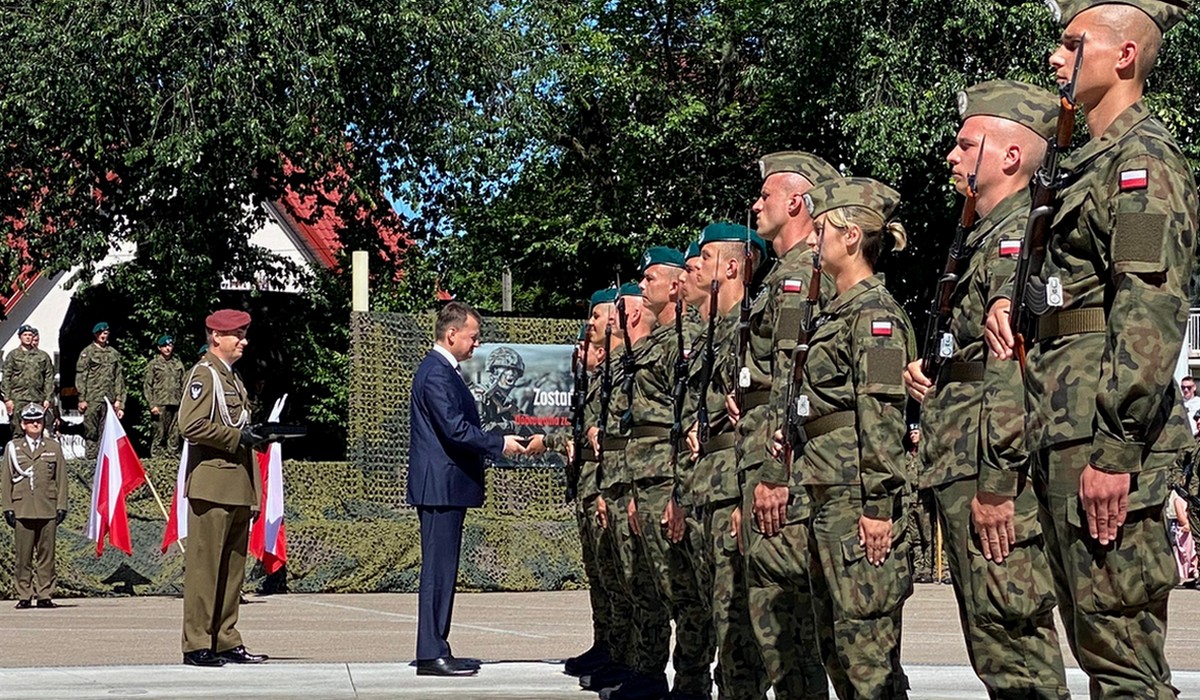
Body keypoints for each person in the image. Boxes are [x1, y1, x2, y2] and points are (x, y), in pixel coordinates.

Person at [984, 1, 1196, 695]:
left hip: (1099, 440)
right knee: (1096, 648)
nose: (1056, 57)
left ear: (1125, 56)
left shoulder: (1142, 164)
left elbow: (1149, 306)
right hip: (1061, 429)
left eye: (1073, 44)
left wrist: (1116, 449)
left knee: (1123, 662)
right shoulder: (1086, 162)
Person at [903, 80, 1071, 698]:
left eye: (966, 144)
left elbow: (1012, 363)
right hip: (964, 455)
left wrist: (999, 483)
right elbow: (979, 355)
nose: (952, 156)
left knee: (1011, 637)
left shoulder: (1018, 236)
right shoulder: (981, 236)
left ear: (1010, 156)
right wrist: (939, 376)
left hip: (988, 466)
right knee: (993, 639)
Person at [774, 177, 914, 699]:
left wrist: (878, 507)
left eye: (822, 231)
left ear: (851, 236)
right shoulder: (835, 312)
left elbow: (881, 417)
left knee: (867, 658)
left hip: (856, 498)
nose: (813, 241)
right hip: (827, 493)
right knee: (837, 649)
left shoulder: (874, 315)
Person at [733, 150, 837, 700]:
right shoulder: (783, 276)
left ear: (796, 202)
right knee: (775, 615)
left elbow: (792, 380)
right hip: (764, 457)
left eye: (766, 195)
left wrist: (775, 472)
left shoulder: (799, 277)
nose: (757, 205)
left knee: (786, 619)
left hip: (782, 466)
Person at [407, 301, 525, 677]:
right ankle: (431, 652)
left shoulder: (444, 371)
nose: (477, 343)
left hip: (446, 485)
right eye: (473, 337)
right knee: (438, 571)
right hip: (440, 486)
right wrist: (499, 444)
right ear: (451, 333)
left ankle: (437, 646)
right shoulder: (436, 373)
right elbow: (454, 429)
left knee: (443, 569)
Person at [622, 246, 714, 700]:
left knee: (686, 592)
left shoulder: (686, 339)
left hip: (670, 475)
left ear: (676, 285)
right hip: (649, 474)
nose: (643, 286)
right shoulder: (660, 341)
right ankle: (660, 674)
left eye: (651, 278)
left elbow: (688, 419)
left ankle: (692, 681)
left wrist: (678, 489)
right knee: (663, 585)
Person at [687, 222, 771, 700]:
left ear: (734, 267)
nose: (696, 266)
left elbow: (756, 416)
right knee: (722, 614)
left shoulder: (751, 325)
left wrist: (745, 492)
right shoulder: (716, 332)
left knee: (737, 619)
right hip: (710, 484)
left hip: (734, 484)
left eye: (707, 257)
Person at [178, 309, 268, 667]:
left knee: (232, 570)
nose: (244, 341)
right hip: (211, 486)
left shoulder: (232, 377)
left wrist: (254, 487)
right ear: (216, 336)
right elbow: (190, 424)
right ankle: (197, 642)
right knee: (205, 569)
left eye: (244, 335)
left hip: (236, 485)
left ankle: (225, 638)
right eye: (237, 335)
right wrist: (236, 437)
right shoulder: (204, 375)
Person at [2, 404, 67, 609]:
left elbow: (61, 478)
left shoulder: (53, 447)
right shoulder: (13, 448)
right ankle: (24, 594)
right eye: (30, 421)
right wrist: (7, 507)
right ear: (22, 424)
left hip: (47, 507)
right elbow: (6, 481)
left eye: (38, 420)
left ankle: (44, 594)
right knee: (23, 556)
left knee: (47, 555)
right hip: (22, 508)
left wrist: (62, 505)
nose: (35, 424)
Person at [76, 322, 125, 462]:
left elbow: (119, 378)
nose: (103, 336)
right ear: (95, 335)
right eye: (100, 333)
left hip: (109, 399)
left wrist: (119, 400)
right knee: (91, 432)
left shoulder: (114, 353)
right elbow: (81, 376)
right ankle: (92, 461)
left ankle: (106, 461)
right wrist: (82, 399)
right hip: (92, 398)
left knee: (107, 432)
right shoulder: (87, 352)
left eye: (105, 333)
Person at [2, 325, 56, 436]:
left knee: (37, 430)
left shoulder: (43, 356)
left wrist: (48, 398)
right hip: (18, 399)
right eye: (25, 335)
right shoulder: (13, 355)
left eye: (30, 335)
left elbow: (49, 378)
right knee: (18, 431)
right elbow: (6, 378)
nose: (27, 337)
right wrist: (7, 399)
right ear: (20, 337)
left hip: (38, 398)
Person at [143, 334, 186, 459]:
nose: (168, 348)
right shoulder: (154, 364)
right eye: (165, 346)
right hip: (160, 403)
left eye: (170, 345)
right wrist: (152, 405)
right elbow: (147, 386)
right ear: (159, 348)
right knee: (159, 432)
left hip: (176, 402)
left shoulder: (178, 364)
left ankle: (173, 456)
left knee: (174, 433)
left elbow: (184, 384)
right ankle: (157, 458)